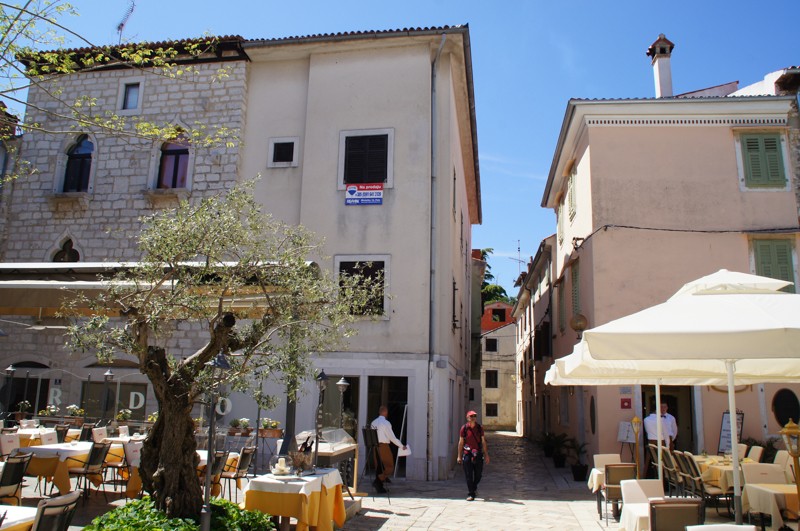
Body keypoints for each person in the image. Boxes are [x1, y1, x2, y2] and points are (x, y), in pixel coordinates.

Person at [370, 405, 406, 493]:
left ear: (379, 412)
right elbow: (392, 437)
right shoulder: (386, 423)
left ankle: (379, 485)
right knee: (389, 466)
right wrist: (401, 446)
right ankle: (378, 481)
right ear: (386, 413)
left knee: (379, 466)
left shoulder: (373, 422)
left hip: (375, 446)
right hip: (383, 446)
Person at [457, 410, 490, 501]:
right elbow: (461, 442)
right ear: (467, 418)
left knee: (478, 474)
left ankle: (474, 487)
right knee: (468, 475)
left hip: (478, 453)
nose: (473, 418)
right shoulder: (464, 428)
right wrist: (459, 455)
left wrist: (486, 454)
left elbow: (483, 442)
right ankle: (471, 493)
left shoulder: (479, 428)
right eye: (471, 416)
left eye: (474, 416)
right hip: (467, 453)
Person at [643, 403, 678, 477]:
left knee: (650, 460)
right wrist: (668, 445)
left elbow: (647, 431)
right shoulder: (661, 419)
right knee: (665, 461)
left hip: (651, 441)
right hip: (661, 442)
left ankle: (645, 476)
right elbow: (666, 433)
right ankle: (666, 477)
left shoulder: (646, 419)